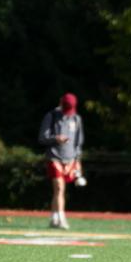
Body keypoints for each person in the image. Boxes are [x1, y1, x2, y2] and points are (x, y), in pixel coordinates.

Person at [38, 93, 85, 230]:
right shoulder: (51, 116)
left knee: (59, 191)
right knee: (59, 187)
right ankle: (61, 218)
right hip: (54, 156)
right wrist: (55, 138)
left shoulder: (76, 119)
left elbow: (78, 143)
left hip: (69, 159)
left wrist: (77, 162)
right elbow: (42, 137)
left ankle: (54, 217)